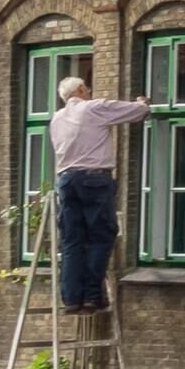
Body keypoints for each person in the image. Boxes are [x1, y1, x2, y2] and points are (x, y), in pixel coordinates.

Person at [46, 76, 149, 314]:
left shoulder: (57, 118)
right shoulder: (92, 108)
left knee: (72, 240)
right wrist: (142, 104)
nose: (90, 92)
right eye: (88, 89)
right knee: (101, 235)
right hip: (94, 178)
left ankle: (71, 299)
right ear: (80, 90)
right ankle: (92, 296)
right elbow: (133, 112)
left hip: (66, 180)